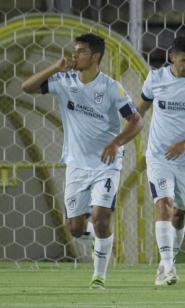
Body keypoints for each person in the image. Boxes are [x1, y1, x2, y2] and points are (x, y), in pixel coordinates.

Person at [21, 33, 144, 289]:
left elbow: (136, 121)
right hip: (76, 165)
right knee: (76, 229)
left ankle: (99, 277)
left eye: (81, 51)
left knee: (100, 218)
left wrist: (115, 143)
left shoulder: (111, 88)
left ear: (96, 56)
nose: (75, 55)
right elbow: (27, 88)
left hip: (106, 164)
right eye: (74, 50)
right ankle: (98, 243)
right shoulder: (64, 81)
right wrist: (55, 67)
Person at [137, 36, 185, 286]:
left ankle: (167, 262)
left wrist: (184, 144)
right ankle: (169, 265)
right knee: (164, 203)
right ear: (172, 57)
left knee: (180, 214)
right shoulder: (155, 79)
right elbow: (139, 109)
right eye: (184, 60)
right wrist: (121, 134)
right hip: (159, 156)